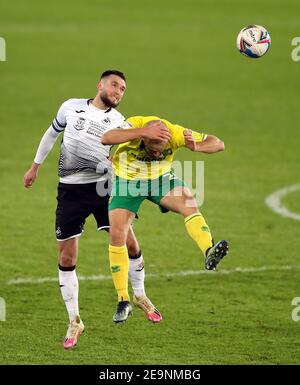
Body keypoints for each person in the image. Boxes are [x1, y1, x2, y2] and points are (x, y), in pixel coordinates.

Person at [23, 72, 162, 350]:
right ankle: (74, 320)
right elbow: (52, 134)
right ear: (100, 85)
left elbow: (132, 153)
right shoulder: (70, 107)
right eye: (114, 85)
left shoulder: (119, 123)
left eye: (123, 89)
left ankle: (140, 295)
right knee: (66, 255)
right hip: (70, 191)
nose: (119, 92)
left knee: (130, 242)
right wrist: (35, 166)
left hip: (103, 189)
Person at [101, 116, 229, 323]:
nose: (158, 153)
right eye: (153, 148)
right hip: (128, 182)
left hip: (160, 179)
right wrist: (141, 132)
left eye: (162, 148)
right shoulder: (135, 125)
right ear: (144, 140)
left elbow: (218, 144)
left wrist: (196, 147)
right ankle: (123, 299)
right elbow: (107, 137)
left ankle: (209, 250)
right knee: (118, 235)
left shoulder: (176, 132)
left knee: (188, 201)